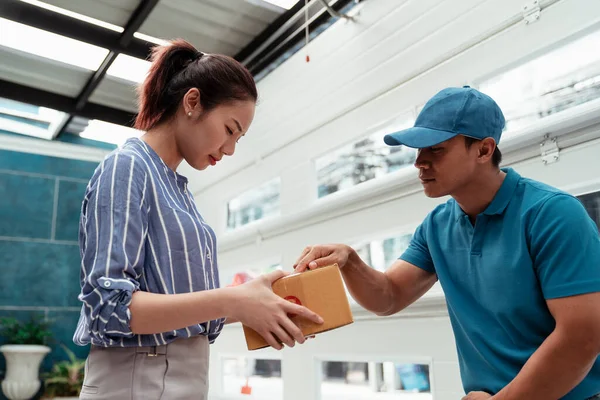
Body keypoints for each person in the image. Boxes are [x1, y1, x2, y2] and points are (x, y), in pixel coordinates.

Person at [294, 86, 600, 400]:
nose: (419, 162)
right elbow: (389, 296)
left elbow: (582, 338)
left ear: (483, 150)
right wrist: (350, 260)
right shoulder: (437, 226)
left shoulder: (552, 214)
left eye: (435, 149)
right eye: (417, 150)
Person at [73, 39, 323, 400]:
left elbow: (183, 307)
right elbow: (108, 309)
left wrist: (260, 305)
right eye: (230, 128)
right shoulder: (127, 169)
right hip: (136, 380)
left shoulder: (179, 190)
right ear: (192, 103)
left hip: (177, 377)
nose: (231, 148)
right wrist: (232, 300)